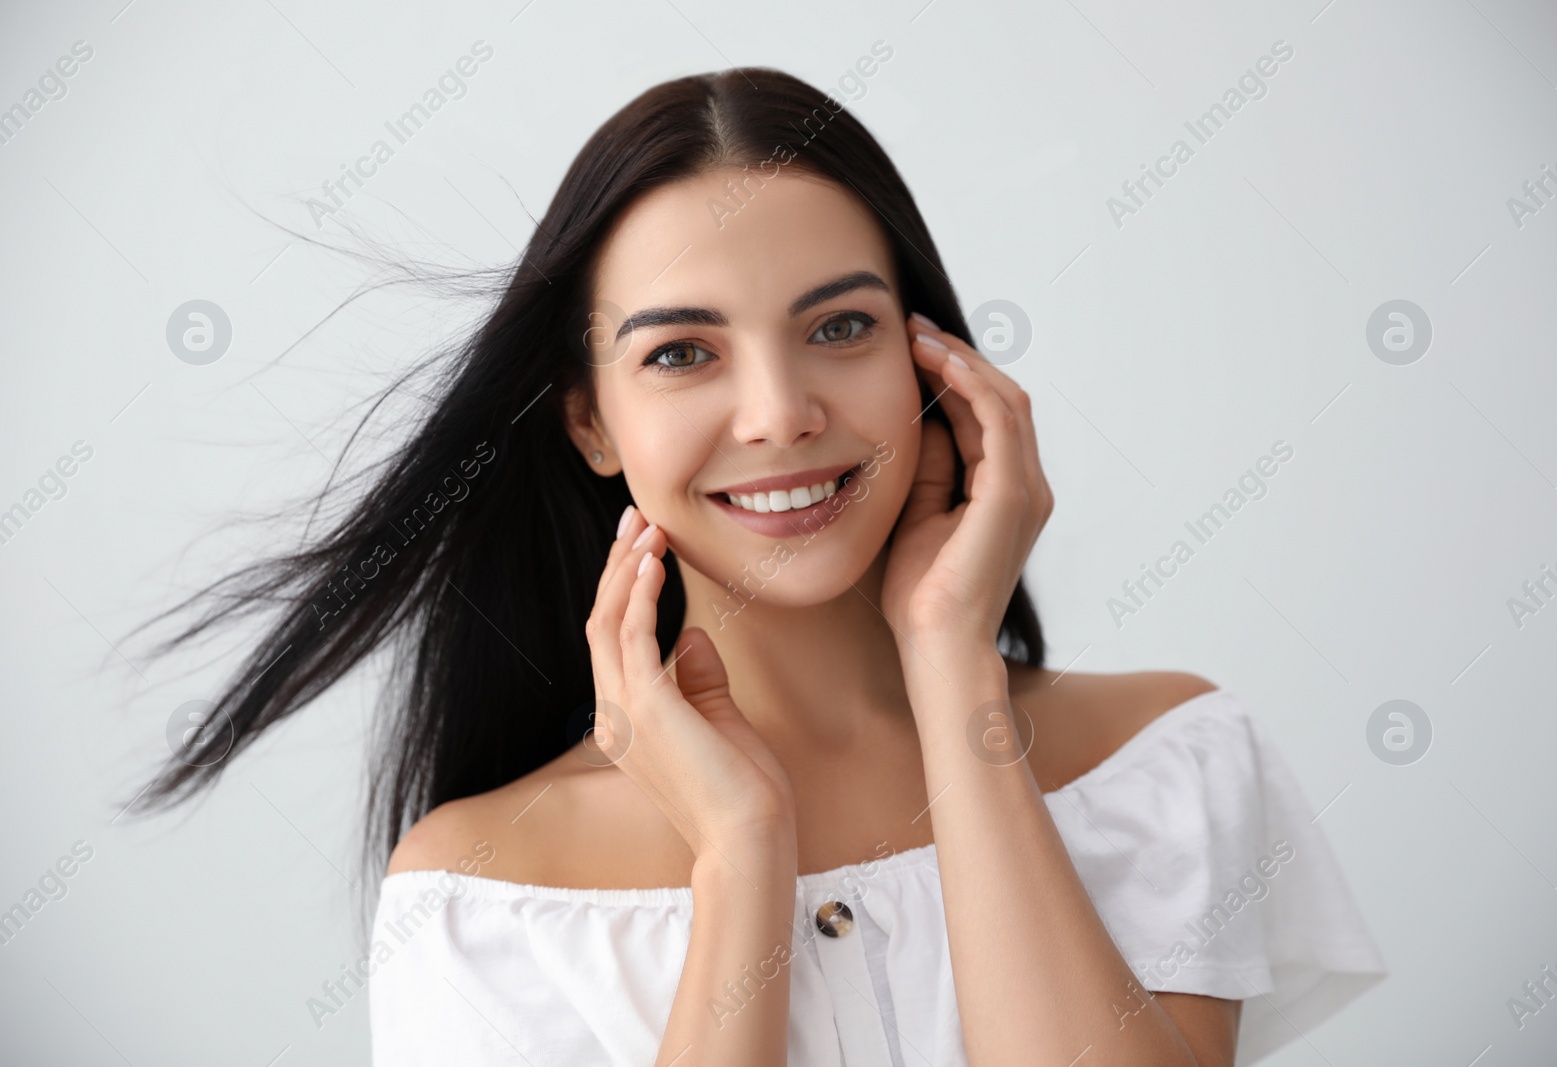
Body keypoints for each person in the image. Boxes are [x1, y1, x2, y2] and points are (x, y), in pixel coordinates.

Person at [127, 67, 1386, 1066]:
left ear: (933, 365)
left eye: (840, 327)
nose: (781, 411)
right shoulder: (482, 893)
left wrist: (957, 675)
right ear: (589, 420)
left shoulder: (1164, 761)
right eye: (682, 352)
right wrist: (740, 853)